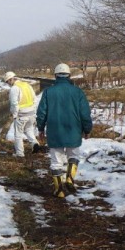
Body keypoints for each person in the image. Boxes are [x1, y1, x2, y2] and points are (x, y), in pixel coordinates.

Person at [36, 63, 92, 198]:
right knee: (73, 156)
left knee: (56, 161)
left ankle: (59, 190)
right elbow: (85, 113)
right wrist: (87, 129)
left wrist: (41, 128)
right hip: (73, 130)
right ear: (69, 75)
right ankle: (70, 179)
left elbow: (41, 112)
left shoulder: (48, 92)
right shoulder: (77, 92)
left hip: (55, 131)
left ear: (55, 75)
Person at [2, 71, 39, 157]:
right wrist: (33, 110)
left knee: (18, 135)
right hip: (31, 113)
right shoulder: (27, 85)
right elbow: (34, 99)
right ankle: (34, 143)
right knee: (28, 129)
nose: (8, 84)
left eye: (7, 82)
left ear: (11, 79)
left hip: (21, 115)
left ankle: (20, 153)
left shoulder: (14, 88)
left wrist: (14, 115)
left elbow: (14, 104)